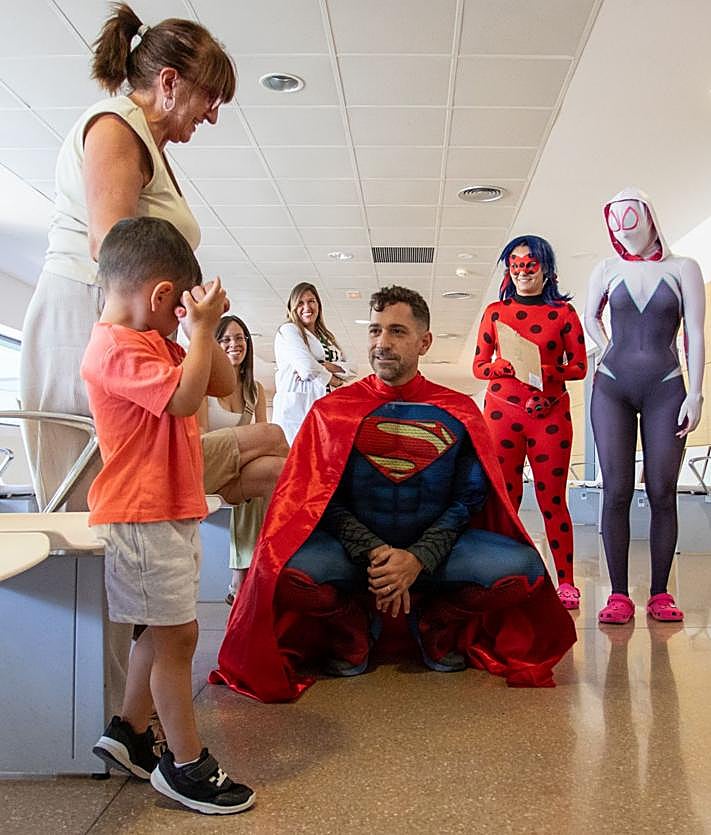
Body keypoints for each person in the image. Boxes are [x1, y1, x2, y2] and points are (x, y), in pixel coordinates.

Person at [18, 1, 235, 716]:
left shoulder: (144, 138)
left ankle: (123, 717)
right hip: (89, 319)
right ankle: (98, 716)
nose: (209, 117)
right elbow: (117, 254)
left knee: (125, 527)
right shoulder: (116, 127)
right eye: (207, 99)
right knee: (98, 524)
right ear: (168, 81)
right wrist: (190, 326)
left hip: (118, 324)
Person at [210, 286, 576, 702]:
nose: (382, 343)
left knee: (525, 570)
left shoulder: (458, 411)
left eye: (397, 331)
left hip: (438, 556)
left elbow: (468, 501)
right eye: (375, 330)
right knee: (276, 570)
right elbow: (320, 502)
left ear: (424, 342)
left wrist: (418, 558)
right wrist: (377, 555)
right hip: (354, 557)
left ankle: (436, 620)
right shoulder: (333, 412)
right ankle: (349, 624)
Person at [82, 217, 254, 815]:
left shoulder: (157, 339)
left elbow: (222, 382)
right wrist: (199, 330)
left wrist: (200, 330)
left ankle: (129, 731)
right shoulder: (114, 348)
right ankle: (185, 765)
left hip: (167, 508)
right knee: (178, 636)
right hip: (142, 511)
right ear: (160, 296)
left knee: (162, 630)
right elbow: (184, 397)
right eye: (175, 305)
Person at [585, 187, 705, 625]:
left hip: (667, 387)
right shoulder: (605, 269)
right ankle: (618, 594)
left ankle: (659, 593)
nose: (621, 226)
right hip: (612, 386)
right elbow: (589, 317)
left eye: (629, 216)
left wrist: (695, 392)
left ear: (649, 216)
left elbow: (694, 331)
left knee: (661, 491)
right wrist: (604, 346)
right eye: (614, 219)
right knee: (614, 491)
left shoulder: (683, 268)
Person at [473, 236, 588, 610]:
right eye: (516, 264)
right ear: (508, 270)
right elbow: (479, 366)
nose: (522, 271)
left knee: (552, 499)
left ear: (546, 269)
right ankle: (507, 576)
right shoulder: (494, 312)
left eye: (530, 264)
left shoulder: (564, 314)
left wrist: (546, 371)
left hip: (550, 414)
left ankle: (566, 582)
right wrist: (498, 367)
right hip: (502, 414)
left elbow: (580, 366)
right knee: (505, 499)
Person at [199, 315, 288, 605]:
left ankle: (255, 572)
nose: (234, 344)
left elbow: (264, 445)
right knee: (274, 434)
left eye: (239, 338)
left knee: (277, 469)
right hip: (204, 464)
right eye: (225, 339)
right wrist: (245, 443)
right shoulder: (203, 382)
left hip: (234, 470)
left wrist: (247, 449)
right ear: (214, 345)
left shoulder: (254, 390)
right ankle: (314, 509)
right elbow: (198, 436)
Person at [272, 282, 355, 444]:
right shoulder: (288, 330)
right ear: (293, 307)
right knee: (297, 461)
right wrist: (335, 379)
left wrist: (325, 366)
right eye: (300, 303)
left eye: (311, 301)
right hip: (296, 410)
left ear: (318, 305)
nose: (307, 307)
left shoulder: (327, 337)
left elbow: (352, 368)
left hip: (324, 406)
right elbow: (307, 368)